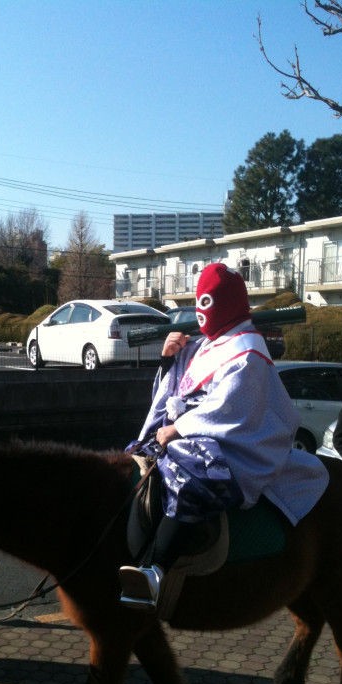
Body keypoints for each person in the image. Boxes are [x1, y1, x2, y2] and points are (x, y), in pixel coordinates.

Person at [119, 262, 329, 611]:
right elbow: (177, 388)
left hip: (239, 444)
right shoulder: (206, 345)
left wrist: (179, 428)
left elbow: (232, 406)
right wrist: (169, 360)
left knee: (185, 473)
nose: (202, 314)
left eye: (208, 303)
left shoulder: (248, 348)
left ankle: (156, 568)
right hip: (198, 432)